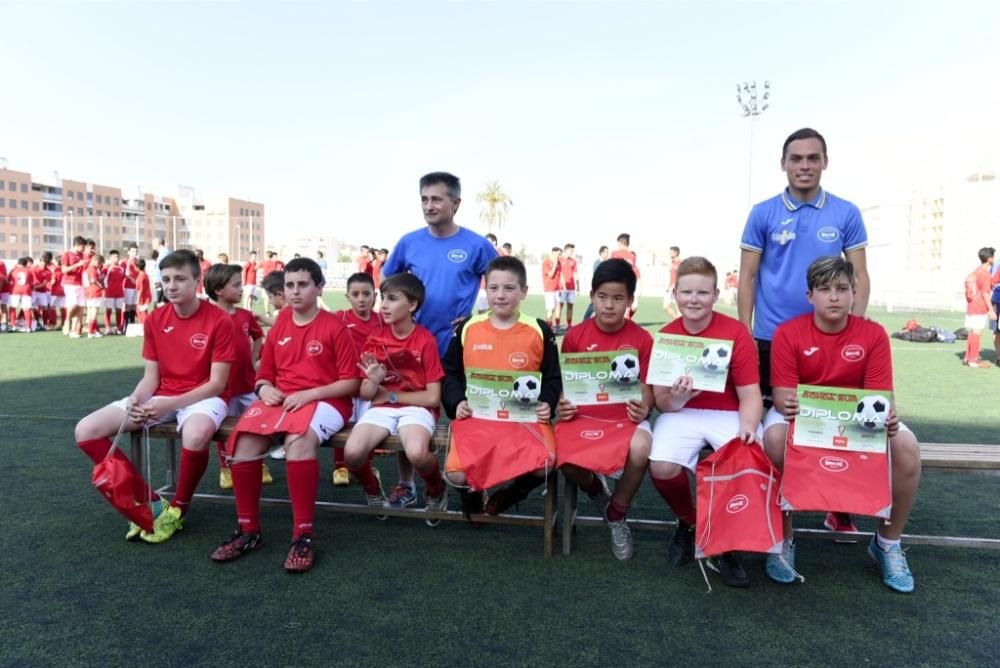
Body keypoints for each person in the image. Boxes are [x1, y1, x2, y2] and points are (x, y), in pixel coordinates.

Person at [738, 127, 870, 537]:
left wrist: (856, 330)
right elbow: (747, 277)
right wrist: (744, 335)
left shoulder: (846, 212)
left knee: (837, 420)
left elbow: (861, 276)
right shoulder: (763, 212)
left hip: (832, 342)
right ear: (783, 164)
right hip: (771, 340)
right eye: (796, 159)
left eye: (813, 158)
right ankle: (770, 517)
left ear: (825, 162)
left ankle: (840, 505)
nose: (805, 166)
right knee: (770, 430)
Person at [761, 256, 921, 593]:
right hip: (804, 417)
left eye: (842, 289)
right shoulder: (788, 333)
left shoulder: (873, 334)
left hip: (857, 419)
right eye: (824, 289)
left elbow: (881, 398)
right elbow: (781, 397)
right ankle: (782, 540)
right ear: (810, 296)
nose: (833, 297)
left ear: (853, 293)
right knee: (774, 438)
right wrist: (787, 403)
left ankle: (887, 543)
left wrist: (888, 415)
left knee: (906, 447)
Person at [74, 249, 235, 544]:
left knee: (196, 434)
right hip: (162, 395)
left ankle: (178, 510)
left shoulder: (220, 320)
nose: (172, 285)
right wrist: (137, 400)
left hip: (204, 397)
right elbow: (151, 378)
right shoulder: (155, 320)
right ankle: (151, 502)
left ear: (198, 281)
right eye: (166, 279)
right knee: (86, 430)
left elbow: (217, 384)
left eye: (180, 279)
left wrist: (168, 404)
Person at [210, 258, 359, 573]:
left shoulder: (335, 327)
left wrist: (310, 394)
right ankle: (249, 531)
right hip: (284, 399)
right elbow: (264, 375)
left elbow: (351, 382)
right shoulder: (280, 324)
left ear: (319, 287)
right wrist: (264, 390)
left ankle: (302, 535)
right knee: (244, 443)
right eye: (289, 285)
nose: (294, 292)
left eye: (303, 285)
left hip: (329, 401)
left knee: (299, 441)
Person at [648, 257, 761, 587]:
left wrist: (749, 426)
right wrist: (680, 397)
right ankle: (690, 522)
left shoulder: (735, 332)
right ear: (675, 293)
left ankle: (727, 546)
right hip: (681, 413)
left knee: (741, 458)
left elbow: (750, 393)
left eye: (702, 292)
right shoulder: (667, 337)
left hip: (728, 412)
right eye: (686, 292)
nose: (693, 299)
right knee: (662, 466)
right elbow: (662, 403)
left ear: (715, 294)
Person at [441, 256, 561, 517]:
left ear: (524, 292)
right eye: (494, 288)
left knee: (546, 464)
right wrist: (456, 402)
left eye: (509, 288)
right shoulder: (468, 327)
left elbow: (553, 378)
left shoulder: (539, 329)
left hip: (524, 418)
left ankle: (513, 493)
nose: (501, 295)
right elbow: (450, 372)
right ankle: (471, 495)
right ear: (486, 289)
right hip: (477, 416)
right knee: (457, 474)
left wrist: (547, 403)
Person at [557, 258, 653, 560]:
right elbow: (567, 384)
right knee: (559, 456)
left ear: (630, 301)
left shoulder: (642, 338)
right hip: (585, 415)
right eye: (602, 297)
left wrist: (644, 408)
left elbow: (647, 388)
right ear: (592, 297)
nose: (609, 305)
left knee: (641, 448)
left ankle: (617, 512)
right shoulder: (575, 336)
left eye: (618, 298)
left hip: (625, 418)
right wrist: (564, 403)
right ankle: (596, 491)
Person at [343, 272, 448, 522]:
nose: (384, 305)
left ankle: (437, 490)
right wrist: (374, 380)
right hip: (383, 409)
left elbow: (433, 398)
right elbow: (367, 394)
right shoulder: (375, 339)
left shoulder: (425, 340)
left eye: (392, 299)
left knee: (417, 452)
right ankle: (372, 488)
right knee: (352, 453)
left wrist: (389, 395)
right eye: (383, 298)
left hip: (415, 409)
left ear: (412, 305)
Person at [381, 172, 498, 356]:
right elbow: (386, 278)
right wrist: (399, 312)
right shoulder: (409, 242)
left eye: (436, 200)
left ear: (456, 203)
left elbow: (505, 284)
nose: (428, 206)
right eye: (424, 200)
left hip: (458, 344)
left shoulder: (478, 245)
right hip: (415, 345)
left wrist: (484, 319)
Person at [203, 263, 271, 490]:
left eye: (241, 284)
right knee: (223, 428)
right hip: (223, 388)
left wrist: (253, 359)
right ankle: (225, 468)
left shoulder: (245, 315)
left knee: (257, 424)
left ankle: (258, 463)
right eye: (236, 285)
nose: (242, 289)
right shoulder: (207, 316)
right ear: (219, 290)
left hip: (248, 383)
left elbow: (258, 336)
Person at [332, 272, 385, 487]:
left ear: (374, 295)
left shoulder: (383, 320)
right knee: (342, 426)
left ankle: (368, 464)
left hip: (371, 387)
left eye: (366, 294)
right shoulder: (340, 318)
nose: (361, 299)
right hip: (346, 384)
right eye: (355, 294)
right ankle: (340, 467)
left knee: (367, 427)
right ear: (347, 297)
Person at [962, 247, 997, 368]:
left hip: (971, 304)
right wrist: (991, 310)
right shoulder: (985, 274)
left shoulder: (976, 271)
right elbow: (986, 293)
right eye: (993, 256)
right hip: (980, 305)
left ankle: (968, 357)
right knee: (977, 332)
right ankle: (973, 360)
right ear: (990, 259)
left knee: (972, 331)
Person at [61, 236, 88, 337]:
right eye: (82, 247)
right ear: (77, 245)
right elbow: (64, 270)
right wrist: (77, 265)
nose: (83, 249)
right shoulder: (67, 254)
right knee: (74, 304)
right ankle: (67, 321)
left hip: (80, 283)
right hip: (69, 283)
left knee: (80, 307)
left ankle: (73, 330)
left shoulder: (82, 255)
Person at [611, 233, 641, 319]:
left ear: (620, 242)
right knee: (627, 309)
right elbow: (632, 271)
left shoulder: (615, 254)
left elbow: (611, 269)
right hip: (628, 285)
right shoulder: (632, 256)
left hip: (617, 284)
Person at [581, 245, 610, 321]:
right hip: (598, 287)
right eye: (606, 252)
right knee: (594, 304)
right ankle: (585, 320)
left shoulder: (605, 263)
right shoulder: (598, 263)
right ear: (602, 253)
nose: (608, 254)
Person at [83, 252, 106, 339]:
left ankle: (94, 330)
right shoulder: (92, 268)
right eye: (100, 264)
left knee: (92, 312)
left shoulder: (89, 268)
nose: (100, 266)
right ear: (97, 262)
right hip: (95, 292)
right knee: (94, 312)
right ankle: (91, 331)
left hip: (89, 293)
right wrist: (101, 285)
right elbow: (93, 280)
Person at [9, 258, 35, 333]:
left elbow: (9, 281)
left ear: (18, 263)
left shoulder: (13, 270)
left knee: (12, 308)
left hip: (15, 290)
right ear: (26, 264)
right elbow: (31, 283)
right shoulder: (28, 271)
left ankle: (13, 326)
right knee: (27, 309)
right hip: (26, 290)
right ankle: (29, 328)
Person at [475, 233, 500, 314]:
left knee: (493, 311)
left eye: (488, 241)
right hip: (482, 288)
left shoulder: (499, 253)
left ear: (494, 242)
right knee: (481, 311)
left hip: (494, 288)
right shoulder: (481, 253)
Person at [103, 250, 126, 335]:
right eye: (114, 256)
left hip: (120, 293)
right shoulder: (107, 267)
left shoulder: (121, 268)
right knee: (108, 310)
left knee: (119, 311)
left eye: (117, 256)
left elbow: (123, 280)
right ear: (110, 258)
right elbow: (102, 278)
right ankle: (107, 328)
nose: (116, 258)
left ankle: (118, 328)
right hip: (109, 293)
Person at [542, 246, 563, 331]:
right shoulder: (546, 262)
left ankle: (557, 326)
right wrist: (555, 263)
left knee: (557, 307)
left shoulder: (559, 262)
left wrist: (561, 287)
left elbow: (560, 275)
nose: (559, 256)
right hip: (549, 289)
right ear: (553, 253)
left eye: (560, 254)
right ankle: (549, 328)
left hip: (557, 289)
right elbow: (551, 274)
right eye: (558, 254)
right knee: (550, 309)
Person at [560, 243, 579, 330]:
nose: (572, 252)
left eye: (573, 251)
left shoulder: (573, 261)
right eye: (571, 251)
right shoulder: (559, 260)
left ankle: (569, 325)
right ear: (566, 250)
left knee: (570, 306)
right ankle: (557, 324)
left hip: (572, 288)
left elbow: (576, 274)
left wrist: (578, 286)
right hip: (561, 288)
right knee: (559, 306)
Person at [32, 252, 53, 331]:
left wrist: (34, 287)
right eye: (43, 262)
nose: (44, 264)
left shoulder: (48, 272)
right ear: (40, 260)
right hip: (33, 292)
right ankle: (36, 323)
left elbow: (44, 284)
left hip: (42, 292)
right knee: (32, 308)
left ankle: (45, 324)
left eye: (46, 263)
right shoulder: (33, 269)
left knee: (44, 307)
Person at [662, 246, 682, 319]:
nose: (669, 254)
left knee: (678, 308)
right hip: (671, 287)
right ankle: (677, 321)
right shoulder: (672, 262)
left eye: (671, 252)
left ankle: (679, 325)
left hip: (677, 287)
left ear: (676, 253)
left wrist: (674, 285)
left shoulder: (680, 262)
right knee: (665, 306)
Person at [123, 244, 140, 327]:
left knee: (134, 306)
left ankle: (132, 325)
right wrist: (132, 279)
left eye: (136, 251)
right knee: (128, 306)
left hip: (136, 287)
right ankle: (126, 326)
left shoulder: (137, 261)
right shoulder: (125, 261)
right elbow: (124, 273)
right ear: (128, 252)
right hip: (128, 287)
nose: (135, 253)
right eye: (133, 251)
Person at [135, 258, 152, 324]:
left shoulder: (141, 276)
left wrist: (138, 300)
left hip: (144, 298)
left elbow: (140, 289)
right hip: (146, 297)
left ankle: (145, 326)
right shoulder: (145, 275)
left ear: (138, 267)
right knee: (142, 311)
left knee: (141, 312)